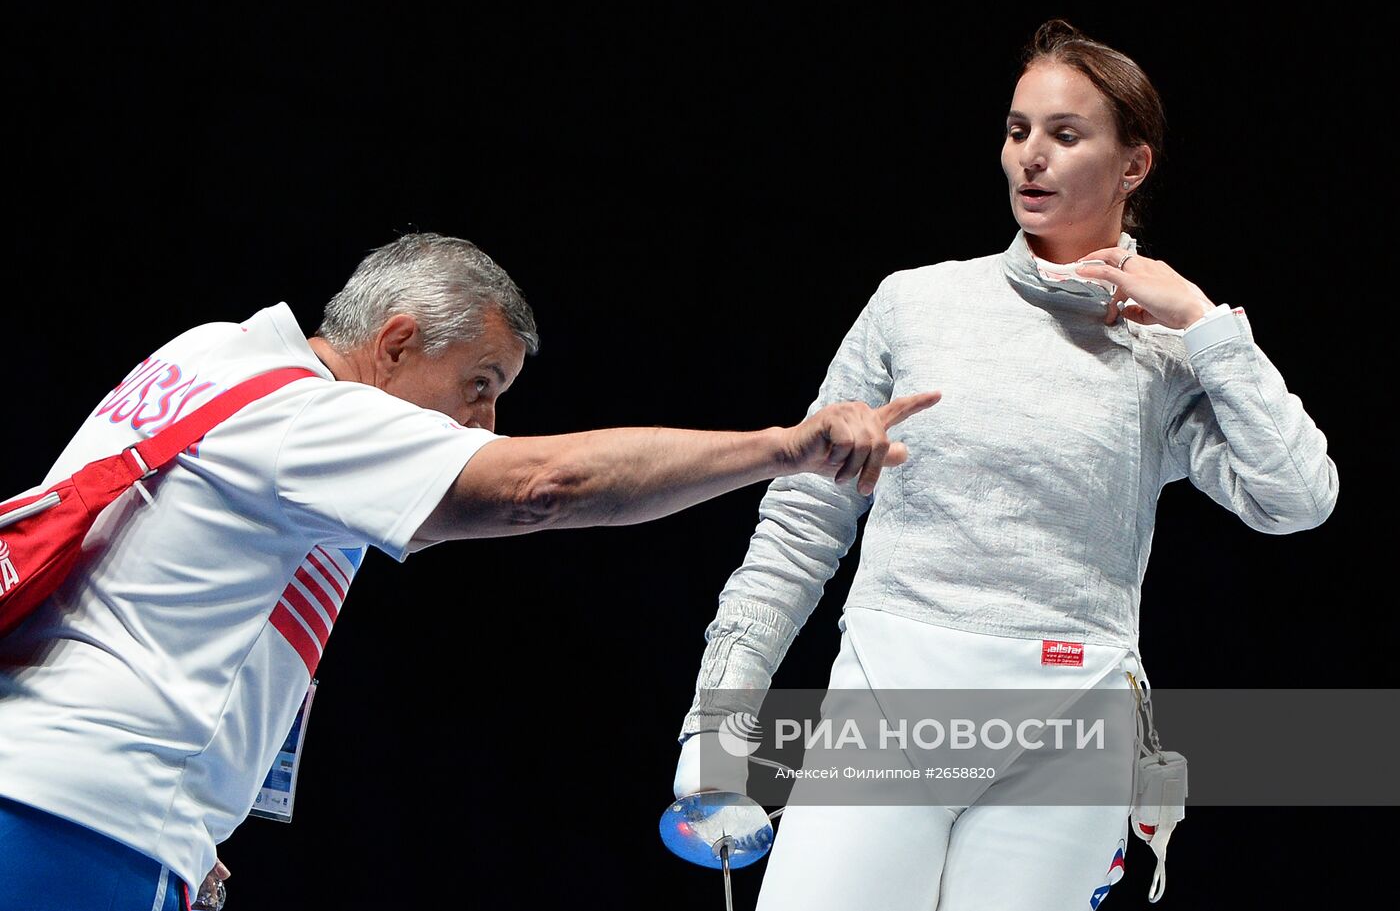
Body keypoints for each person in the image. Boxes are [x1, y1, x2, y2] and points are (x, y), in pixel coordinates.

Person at [0, 232, 937, 910]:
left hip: (52, 786)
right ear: (397, 341)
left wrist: (190, 822)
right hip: (82, 817)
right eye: (477, 386)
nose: (479, 425)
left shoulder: (209, 354)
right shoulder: (309, 420)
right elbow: (543, 485)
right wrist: (781, 447)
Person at [671, 19, 1339, 910]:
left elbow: (1297, 498)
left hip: (1071, 726)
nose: (1032, 156)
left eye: (1066, 135)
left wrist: (1205, 324)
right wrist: (715, 730)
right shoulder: (915, 304)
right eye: (1019, 130)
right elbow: (799, 524)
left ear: (1132, 166)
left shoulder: (1164, 350)